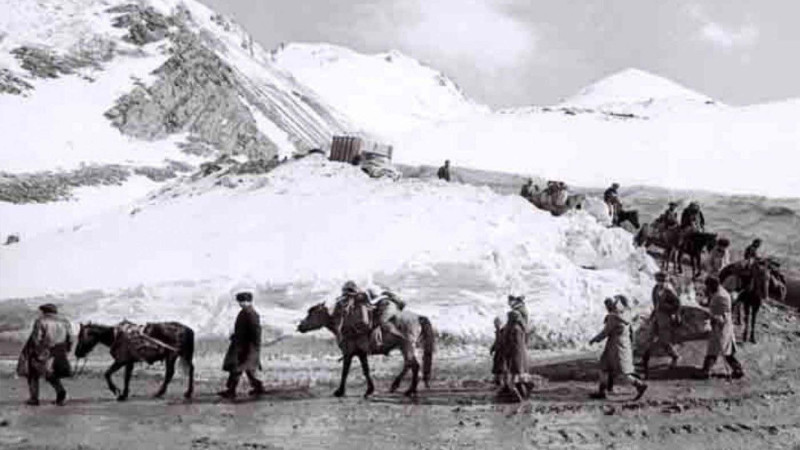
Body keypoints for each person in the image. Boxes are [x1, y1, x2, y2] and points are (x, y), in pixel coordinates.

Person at [588, 296, 648, 400]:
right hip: (624, 344)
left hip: (614, 346)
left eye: (607, 306)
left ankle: (639, 385)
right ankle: (604, 390)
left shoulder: (612, 317)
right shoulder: (625, 313)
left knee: (620, 371)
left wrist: (594, 340)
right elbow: (630, 331)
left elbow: (605, 333)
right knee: (606, 367)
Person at [17, 303, 72, 406]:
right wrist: (67, 350)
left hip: (45, 351)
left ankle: (34, 399)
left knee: (33, 373)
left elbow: (36, 339)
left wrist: (36, 353)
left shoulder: (41, 321)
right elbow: (70, 339)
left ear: (44, 312)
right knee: (51, 373)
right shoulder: (65, 321)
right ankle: (61, 394)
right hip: (60, 351)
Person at [218, 292, 265, 399]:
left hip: (247, 347)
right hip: (242, 346)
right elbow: (242, 330)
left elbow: (256, 332)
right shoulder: (245, 312)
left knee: (237, 369)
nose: (241, 304)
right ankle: (258, 387)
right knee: (248, 370)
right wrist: (235, 336)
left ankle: (231, 391)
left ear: (248, 301)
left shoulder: (251, 314)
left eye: (243, 301)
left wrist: (255, 347)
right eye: (240, 302)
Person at [696, 276, 744, 380]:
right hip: (719, 326)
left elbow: (723, 314)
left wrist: (712, 316)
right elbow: (713, 305)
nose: (707, 288)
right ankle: (737, 369)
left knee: (715, 350)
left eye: (708, 286)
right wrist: (704, 305)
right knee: (725, 351)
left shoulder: (722, 296)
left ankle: (706, 371)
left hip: (722, 327)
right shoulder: (717, 292)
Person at [640, 272, 682, 378]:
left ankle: (675, 356)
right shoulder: (655, 289)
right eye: (659, 280)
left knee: (664, 341)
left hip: (665, 318)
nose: (660, 283)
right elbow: (655, 303)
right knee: (649, 337)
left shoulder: (669, 290)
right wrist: (653, 314)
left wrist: (666, 307)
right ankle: (645, 360)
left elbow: (677, 305)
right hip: (657, 316)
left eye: (662, 280)